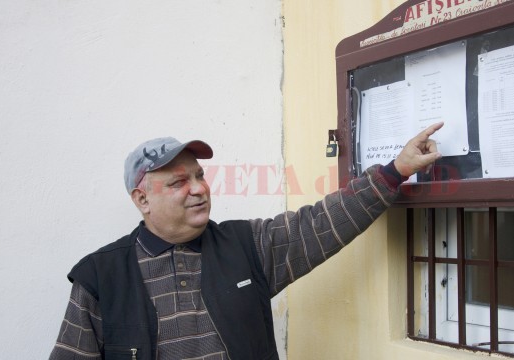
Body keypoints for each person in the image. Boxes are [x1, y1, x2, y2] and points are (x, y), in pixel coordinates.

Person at [48, 122, 444, 360]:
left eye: (199, 176)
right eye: (178, 182)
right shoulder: (101, 277)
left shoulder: (246, 245)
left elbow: (321, 224)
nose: (199, 189)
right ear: (142, 199)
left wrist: (397, 170)